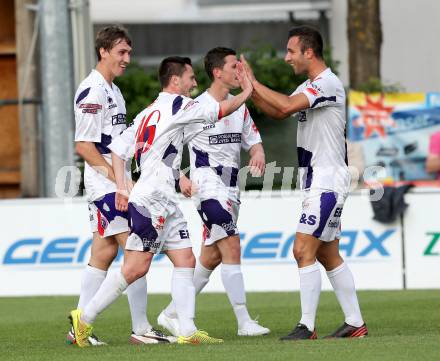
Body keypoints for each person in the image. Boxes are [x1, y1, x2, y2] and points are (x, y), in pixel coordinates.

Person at [69, 55, 254, 347]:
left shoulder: (149, 112)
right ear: (175, 80)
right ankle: (85, 318)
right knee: (135, 268)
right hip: (152, 199)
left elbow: (118, 151)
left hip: (165, 199)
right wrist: (247, 91)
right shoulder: (180, 105)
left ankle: (187, 329)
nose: (195, 83)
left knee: (185, 259)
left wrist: (122, 186)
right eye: (191, 77)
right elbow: (221, 108)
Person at [241, 25, 368, 340]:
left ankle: (306, 327)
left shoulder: (327, 84)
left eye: (291, 51)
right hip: (319, 179)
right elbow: (279, 112)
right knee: (327, 254)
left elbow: (283, 105)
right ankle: (355, 323)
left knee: (301, 250)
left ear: (309, 52)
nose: (286, 58)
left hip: (326, 179)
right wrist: (250, 90)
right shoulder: (311, 85)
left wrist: (253, 83)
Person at [157, 47, 270, 337]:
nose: (239, 70)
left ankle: (171, 313)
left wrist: (257, 152)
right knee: (231, 245)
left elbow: (253, 141)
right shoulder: (195, 108)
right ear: (218, 72)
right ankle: (244, 321)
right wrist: (179, 176)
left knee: (211, 257)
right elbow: (166, 148)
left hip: (232, 189)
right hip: (206, 187)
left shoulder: (239, 107)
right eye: (234, 66)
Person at [71, 25, 171, 345]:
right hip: (106, 187)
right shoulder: (93, 90)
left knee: (102, 252)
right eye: (121, 52)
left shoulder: (114, 90)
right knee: (137, 249)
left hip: (114, 184)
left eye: (129, 52)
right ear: (103, 51)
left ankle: (79, 329)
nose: (127, 58)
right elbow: (84, 146)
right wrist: (120, 182)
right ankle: (140, 328)